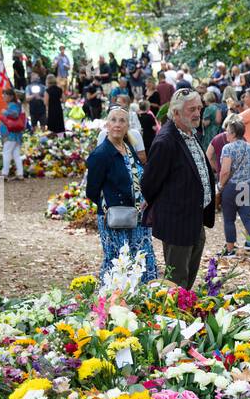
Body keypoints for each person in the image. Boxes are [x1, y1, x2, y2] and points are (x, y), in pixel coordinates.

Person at [140, 89, 215, 289]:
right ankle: (171, 318)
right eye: (191, 109)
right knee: (176, 282)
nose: (197, 113)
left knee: (187, 279)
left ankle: (183, 314)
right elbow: (148, 184)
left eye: (199, 107)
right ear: (176, 113)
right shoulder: (166, 141)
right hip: (177, 223)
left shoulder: (190, 133)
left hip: (195, 219)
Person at [86, 107, 158, 282]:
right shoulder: (101, 155)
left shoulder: (128, 149)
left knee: (142, 259)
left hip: (138, 218)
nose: (117, 124)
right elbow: (92, 191)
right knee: (118, 262)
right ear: (107, 124)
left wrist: (145, 197)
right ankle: (113, 303)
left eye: (122, 121)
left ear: (128, 126)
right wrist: (111, 204)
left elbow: (138, 177)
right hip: (115, 218)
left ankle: (142, 302)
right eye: (113, 120)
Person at [216, 116, 250, 258]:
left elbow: (225, 171)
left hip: (232, 187)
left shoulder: (228, 148)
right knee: (248, 218)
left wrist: (219, 185)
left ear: (233, 133)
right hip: (247, 186)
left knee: (229, 219)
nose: (226, 134)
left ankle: (230, 250)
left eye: (227, 132)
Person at [0, 96, 27, 179]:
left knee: (6, 153)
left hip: (10, 134)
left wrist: (5, 112)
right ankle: (20, 173)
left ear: (10, 97)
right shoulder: (17, 104)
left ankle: (4, 173)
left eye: (5, 95)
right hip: (16, 135)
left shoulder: (12, 105)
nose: (3, 97)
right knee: (16, 155)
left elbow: (14, 115)